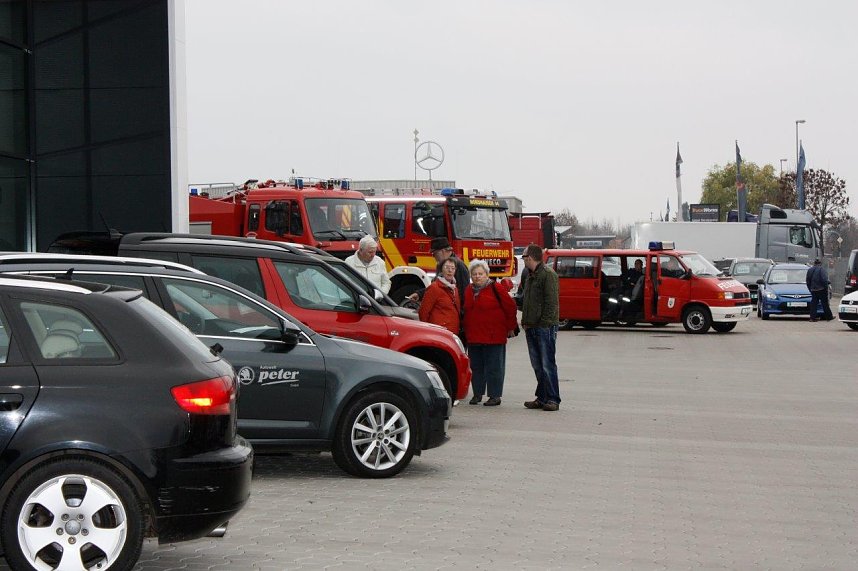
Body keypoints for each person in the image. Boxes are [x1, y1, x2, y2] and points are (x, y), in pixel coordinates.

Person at [462, 259, 518, 407]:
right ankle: (477, 393)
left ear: (487, 274)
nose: (477, 276)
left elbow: (510, 307)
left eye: (480, 274)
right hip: (474, 335)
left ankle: (494, 395)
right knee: (476, 367)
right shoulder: (468, 290)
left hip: (494, 336)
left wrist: (511, 327)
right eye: (474, 274)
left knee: (494, 367)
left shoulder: (496, 288)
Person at [520, 244, 561, 412]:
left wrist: (544, 324)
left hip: (544, 328)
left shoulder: (548, 275)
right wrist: (525, 321)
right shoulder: (530, 275)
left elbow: (551, 303)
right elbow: (527, 300)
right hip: (531, 326)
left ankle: (553, 399)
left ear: (530, 258)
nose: (523, 261)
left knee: (547, 364)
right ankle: (542, 397)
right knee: (537, 365)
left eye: (524, 257)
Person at [418, 258, 461, 335]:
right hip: (438, 333)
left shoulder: (454, 288)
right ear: (441, 270)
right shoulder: (434, 287)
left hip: (452, 333)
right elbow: (423, 312)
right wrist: (429, 331)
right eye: (447, 267)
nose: (450, 270)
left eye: (452, 268)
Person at [430, 237, 470, 307]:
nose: (434, 257)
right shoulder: (442, 264)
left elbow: (464, 292)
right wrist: (419, 294)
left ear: (442, 251)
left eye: (434, 254)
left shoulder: (458, 265)